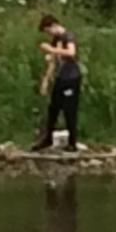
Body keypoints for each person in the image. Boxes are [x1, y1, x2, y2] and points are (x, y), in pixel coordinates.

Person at [32, 14, 82, 152]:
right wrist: (46, 79)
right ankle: (48, 138)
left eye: (49, 31)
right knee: (53, 108)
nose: (49, 35)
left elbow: (71, 52)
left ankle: (73, 142)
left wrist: (51, 49)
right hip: (61, 77)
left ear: (54, 26)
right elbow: (53, 61)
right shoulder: (56, 40)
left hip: (71, 77)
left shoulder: (68, 36)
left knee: (69, 110)